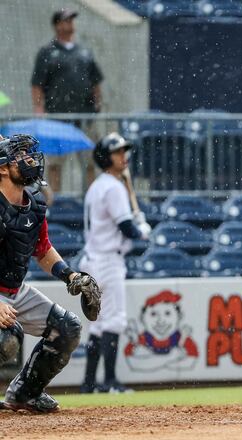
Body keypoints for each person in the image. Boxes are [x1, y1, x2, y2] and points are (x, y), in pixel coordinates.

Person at [0, 134, 101, 413]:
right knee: (6, 339)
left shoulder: (34, 202)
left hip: (13, 289)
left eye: (29, 154)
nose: (30, 159)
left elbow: (42, 250)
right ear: (3, 167)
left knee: (67, 329)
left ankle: (25, 394)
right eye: (20, 155)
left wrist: (71, 276)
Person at [79, 133, 150, 394]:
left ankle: (89, 384)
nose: (124, 156)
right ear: (106, 157)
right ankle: (109, 382)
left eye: (124, 151)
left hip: (94, 258)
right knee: (114, 321)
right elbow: (127, 228)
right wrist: (143, 229)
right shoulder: (112, 186)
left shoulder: (99, 185)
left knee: (98, 324)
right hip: (107, 260)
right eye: (117, 152)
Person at [31, 8, 104, 193]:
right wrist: (39, 109)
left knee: (89, 162)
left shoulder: (84, 52)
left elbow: (95, 81)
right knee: (55, 164)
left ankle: (90, 199)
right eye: (66, 20)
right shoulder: (47, 52)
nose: (70, 24)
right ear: (57, 25)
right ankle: (55, 203)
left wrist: (98, 102)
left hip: (85, 116)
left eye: (72, 20)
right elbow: (37, 84)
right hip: (58, 116)